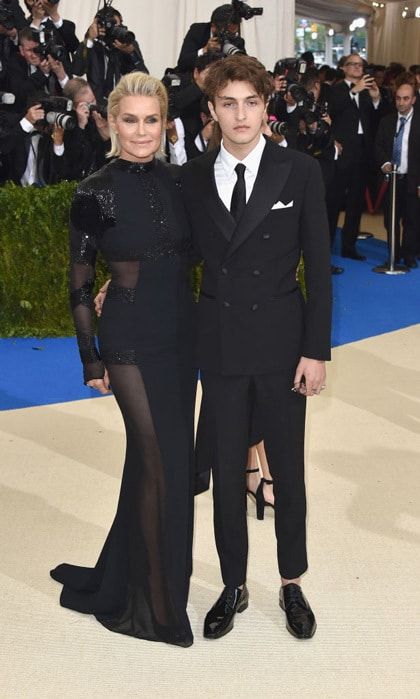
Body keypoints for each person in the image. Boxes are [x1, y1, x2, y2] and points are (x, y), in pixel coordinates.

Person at [181, 55, 332, 640]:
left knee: (287, 473)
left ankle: (291, 581)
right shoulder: (192, 176)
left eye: (250, 102)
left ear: (266, 107)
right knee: (224, 477)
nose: (240, 115)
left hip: (281, 345)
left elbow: (318, 267)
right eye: (228, 103)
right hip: (219, 348)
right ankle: (233, 583)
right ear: (212, 110)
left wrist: (315, 350)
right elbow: (178, 259)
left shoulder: (299, 171)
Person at [50, 72, 196, 648]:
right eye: (129, 120)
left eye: (151, 119)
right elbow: (80, 284)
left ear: (165, 122)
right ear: (111, 123)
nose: (141, 132)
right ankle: (156, 606)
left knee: (153, 461)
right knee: (163, 464)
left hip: (181, 337)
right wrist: (92, 360)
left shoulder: (183, 181)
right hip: (129, 339)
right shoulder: (95, 190)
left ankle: (121, 575)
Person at [328, 53, 381, 260]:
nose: (358, 68)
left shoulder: (368, 90)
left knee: (356, 202)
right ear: (343, 68)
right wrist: (352, 92)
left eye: (361, 65)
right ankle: (327, 246)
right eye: (353, 64)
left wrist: (376, 99)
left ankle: (349, 247)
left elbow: (379, 120)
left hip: (362, 151)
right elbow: (333, 111)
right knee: (334, 201)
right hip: (342, 151)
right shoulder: (336, 90)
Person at [375, 81, 420, 268]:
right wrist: (385, 163)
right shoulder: (387, 121)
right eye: (398, 98)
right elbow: (378, 146)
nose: (401, 103)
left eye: (406, 98)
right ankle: (394, 253)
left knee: (412, 220)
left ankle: (409, 255)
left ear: (414, 100)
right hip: (391, 180)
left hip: (412, 179)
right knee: (390, 220)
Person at [72, 7, 148, 103]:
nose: (118, 29)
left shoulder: (127, 44)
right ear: (101, 26)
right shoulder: (92, 45)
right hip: (96, 105)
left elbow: (143, 76)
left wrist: (131, 53)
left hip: (121, 104)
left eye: (120, 25)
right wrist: (89, 40)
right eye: (114, 26)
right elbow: (77, 70)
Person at [177, 4, 245, 73]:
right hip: (195, 78)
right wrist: (204, 50)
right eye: (227, 33)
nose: (231, 36)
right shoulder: (198, 31)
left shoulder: (238, 40)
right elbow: (182, 63)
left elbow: (244, 67)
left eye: (233, 33)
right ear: (213, 26)